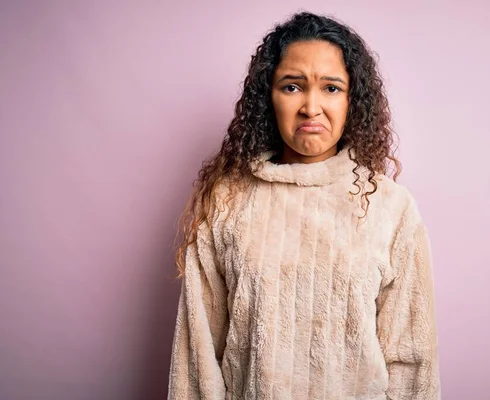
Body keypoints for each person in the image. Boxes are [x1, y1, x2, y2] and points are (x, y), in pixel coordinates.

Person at [168, 11, 440, 400]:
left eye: (331, 88)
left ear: (352, 100)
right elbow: (196, 355)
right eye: (292, 87)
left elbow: (413, 360)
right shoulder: (227, 201)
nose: (311, 107)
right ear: (269, 97)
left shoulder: (390, 208)